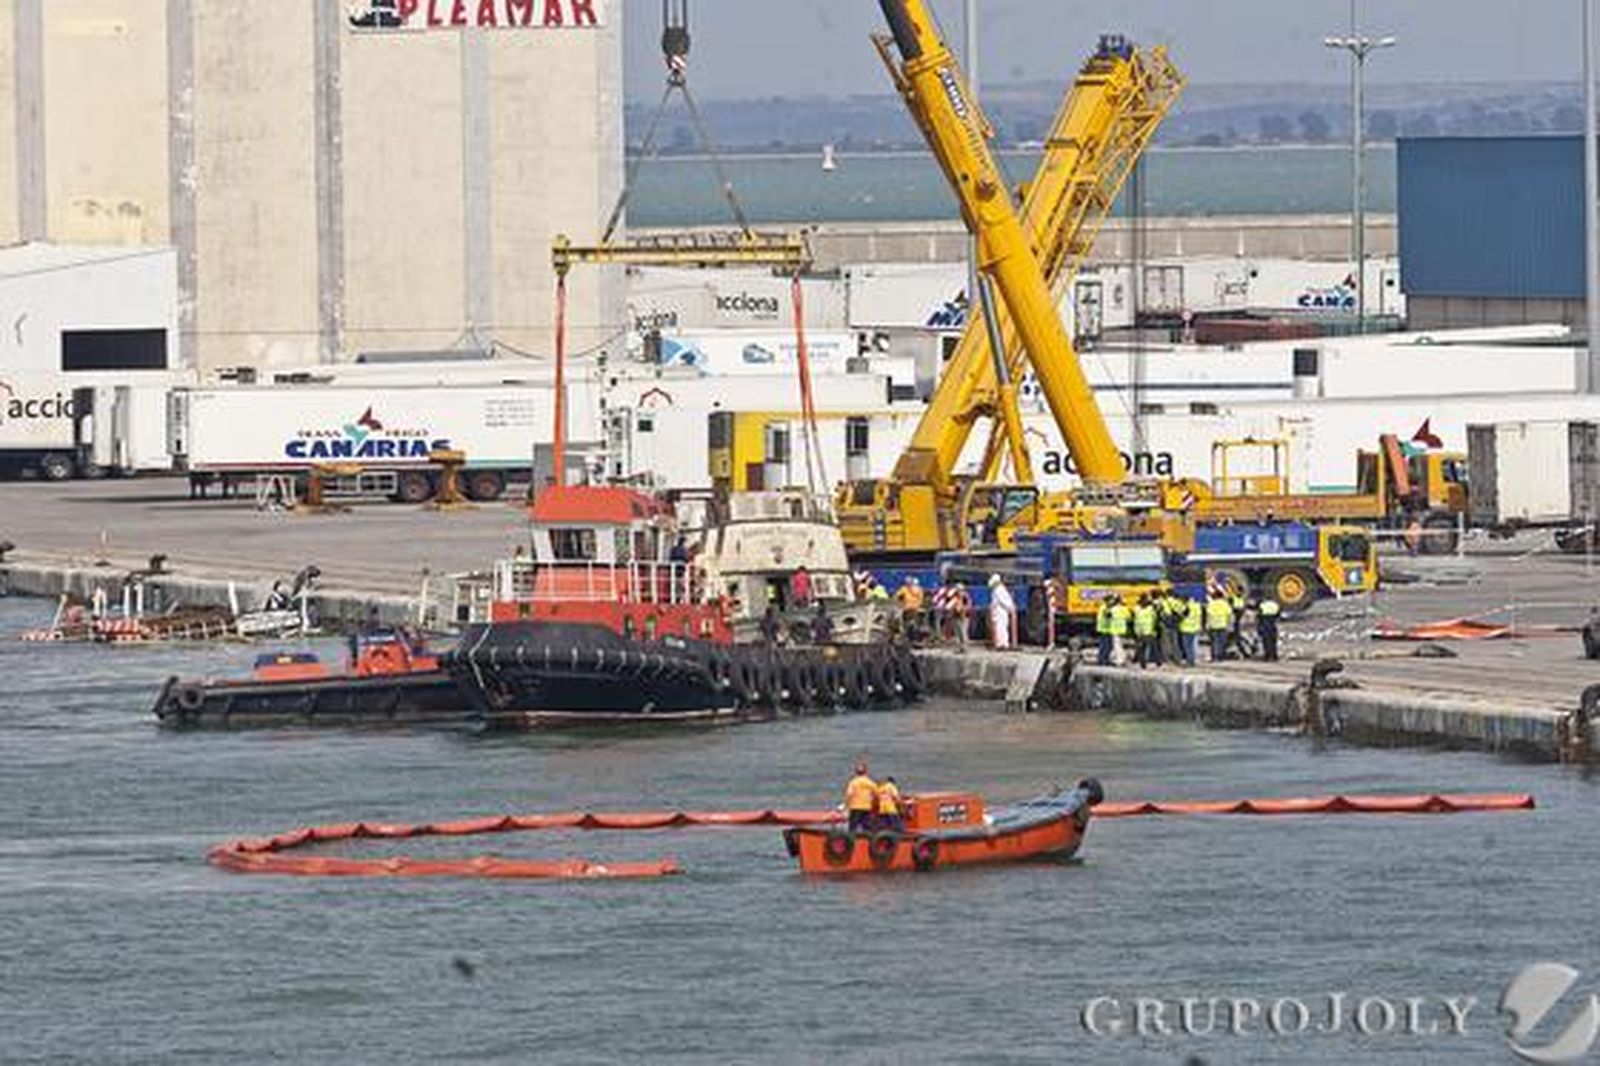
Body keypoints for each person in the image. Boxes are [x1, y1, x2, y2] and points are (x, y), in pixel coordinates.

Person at [845, 761, 878, 834]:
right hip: (866, 807)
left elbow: (849, 794)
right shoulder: (870, 782)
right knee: (867, 826)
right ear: (866, 771)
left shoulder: (853, 782)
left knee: (853, 827)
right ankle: (870, 841)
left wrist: (846, 805)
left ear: (856, 772)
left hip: (855, 807)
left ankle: (851, 841)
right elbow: (876, 794)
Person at [988, 574, 1016, 650]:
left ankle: (1001, 644)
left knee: (1001, 627)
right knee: (1000, 627)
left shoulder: (999, 590)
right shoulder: (999, 590)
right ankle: (1002, 643)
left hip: (1001, 611)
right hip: (1000, 611)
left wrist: (1010, 607)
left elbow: (1003, 601)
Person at [1206, 587, 1234, 662]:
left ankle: (1214, 656)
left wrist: (1207, 624)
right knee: (1222, 642)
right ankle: (1220, 657)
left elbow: (1208, 615)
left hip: (1213, 625)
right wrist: (1230, 625)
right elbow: (1229, 615)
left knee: (1214, 642)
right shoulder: (1225, 604)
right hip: (1223, 625)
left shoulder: (1211, 604)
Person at [1132, 594, 1159, 668]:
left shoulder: (1139, 609)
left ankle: (1154, 662)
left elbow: (1154, 620)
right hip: (1144, 631)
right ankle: (1145, 663)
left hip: (1145, 631)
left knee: (1146, 647)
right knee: (1145, 647)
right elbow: (1155, 618)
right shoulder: (1149, 609)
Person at [895, 576, 926, 640]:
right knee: (917, 622)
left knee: (904, 622)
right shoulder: (920, 589)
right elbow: (921, 599)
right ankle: (917, 635)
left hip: (907, 608)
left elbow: (897, 596)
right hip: (917, 608)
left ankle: (905, 635)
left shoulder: (904, 588)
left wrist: (899, 602)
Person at [1107, 593, 1131, 666]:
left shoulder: (1113, 609)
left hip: (1115, 629)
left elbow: (1107, 615)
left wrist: (1110, 605)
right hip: (1122, 629)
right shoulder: (1124, 609)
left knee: (1117, 645)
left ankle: (1120, 660)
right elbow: (1129, 617)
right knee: (1120, 645)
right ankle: (1120, 658)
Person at [1179, 595, 1204, 666]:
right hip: (1195, 627)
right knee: (1193, 645)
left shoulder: (1185, 607)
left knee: (1187, 646)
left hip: (1186, 628)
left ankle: (1189, 661)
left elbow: (1182, 616)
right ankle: (1192, 660)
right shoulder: (1197, 606)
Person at [1256, 596, 1281, 662]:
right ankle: (1274, 655)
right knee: (1273, 640)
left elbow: (1259, 615)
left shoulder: (1262, 605)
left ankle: (1267, 656)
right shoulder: (1275, 604)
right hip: (1272, 622)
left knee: (1266, 641)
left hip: (1265, 622)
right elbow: (1278, 614)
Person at [1094, 596, 1114, 666]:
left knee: (1105, 646)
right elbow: (1109, 615)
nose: (1112, 602)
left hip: (1105, 629)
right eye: (1111, 600)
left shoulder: (1104, 607)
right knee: (1105, 646)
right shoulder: (1104, 608)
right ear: (1107, 601)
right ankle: (1103, 660)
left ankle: (1104, 659)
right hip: (1104, 630)